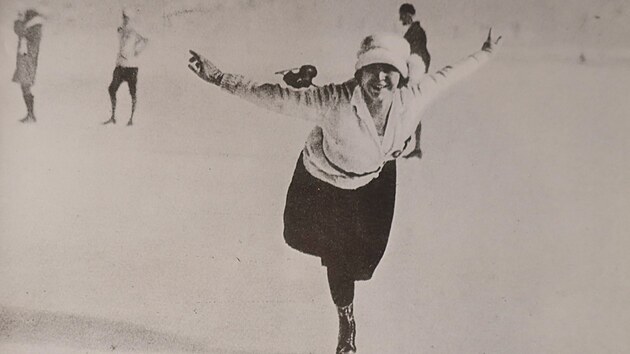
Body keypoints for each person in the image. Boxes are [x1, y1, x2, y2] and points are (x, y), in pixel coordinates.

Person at [188, 29, 501, 353]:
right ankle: (346, 322)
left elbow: (452, 75)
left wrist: (487, 52)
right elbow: (273, 97)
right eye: (371, 69)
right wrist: (219, 78)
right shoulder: (333, 101)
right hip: (325, 181)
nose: (379, 78)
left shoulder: (411, 99)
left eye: (388, 70)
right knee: (331, 252)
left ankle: (345, 291)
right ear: (359, 71)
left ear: (401, 75)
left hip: (375, 179)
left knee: (363, 259)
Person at [103, 7, 149, 126]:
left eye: (126, 18)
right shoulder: (121, 31)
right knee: (112, 89)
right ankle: (113, 116)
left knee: (132, 92)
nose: (125, 20)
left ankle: (131, 118)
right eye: (124, 18)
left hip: (131, 66)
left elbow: (145, 40)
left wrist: (137, 51)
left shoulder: (133, 32)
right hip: (120, 65)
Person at [399, 3, 431, 158]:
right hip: (415, 72)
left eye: (402, 15)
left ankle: (409, 144)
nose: (400, 19)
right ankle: (415, 146)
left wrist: (410, 73)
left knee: (409, 105)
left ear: (408, 15)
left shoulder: (416, 32)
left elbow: (417, 54)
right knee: (413, 106)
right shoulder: (415, 31)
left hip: (414, 72)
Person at [13, 7, 45, 123]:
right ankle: (30, 114)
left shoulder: (34, 29)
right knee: (24, 87)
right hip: (25, 62)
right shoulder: (32, 28)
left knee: (25, 86)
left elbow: (19, 30)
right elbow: (18, 30)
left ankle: (31, 115)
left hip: (27, 63)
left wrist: (20, 21)